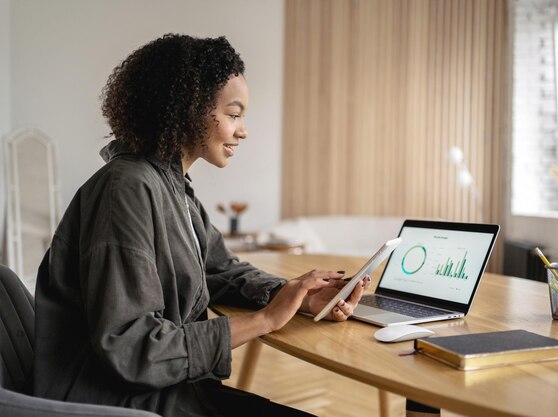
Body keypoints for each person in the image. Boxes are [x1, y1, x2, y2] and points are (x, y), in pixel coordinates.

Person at [33, 34, 369, 417]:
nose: (243, 130)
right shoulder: (126, 189)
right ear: (188, 109)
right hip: (114, 403)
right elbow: (132, 348)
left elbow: (221, 270)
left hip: (161, 392)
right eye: (233, 113)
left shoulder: (173, 187)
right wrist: (265, 320)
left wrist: (296, 295)